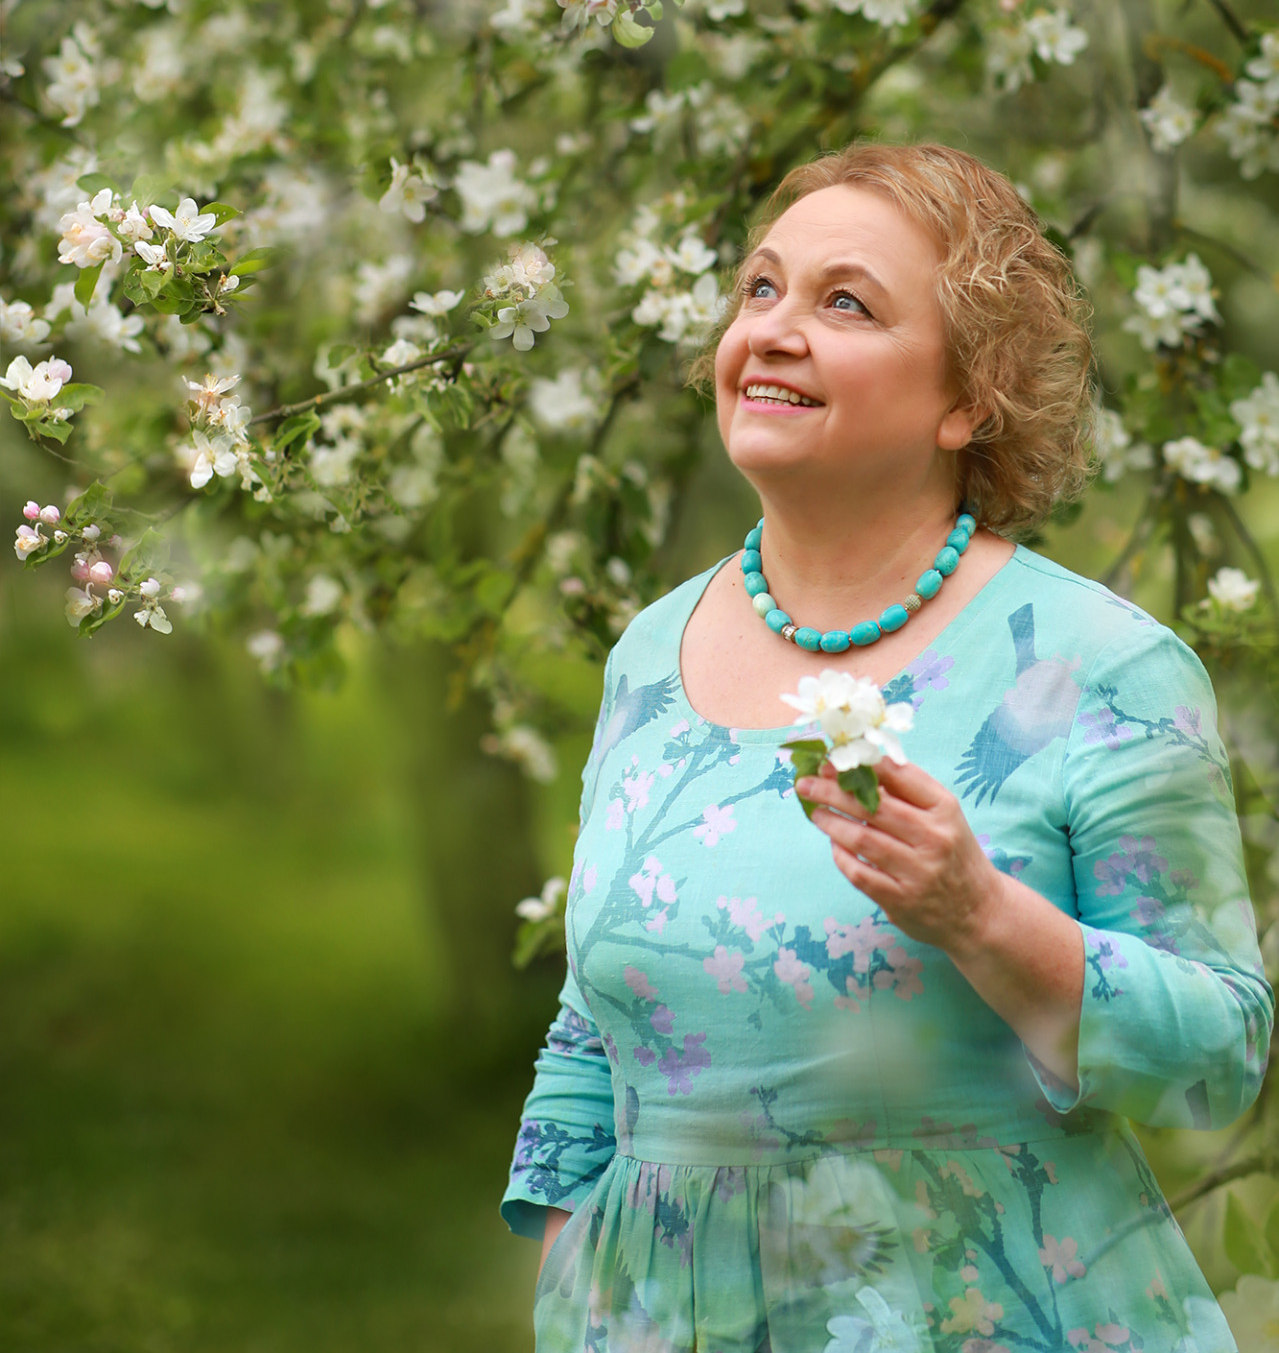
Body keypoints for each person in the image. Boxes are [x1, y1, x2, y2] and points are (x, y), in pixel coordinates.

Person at [501, 141, 1272, 1353]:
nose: (774, 330)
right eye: (760, 290)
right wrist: (570, 1264)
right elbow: (597, 1020)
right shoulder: (650, 654)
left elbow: (1215, 1064)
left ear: (968, 399)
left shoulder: (1097, 666)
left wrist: (980, 916)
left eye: (843, 303)